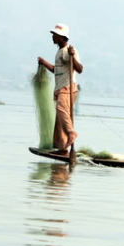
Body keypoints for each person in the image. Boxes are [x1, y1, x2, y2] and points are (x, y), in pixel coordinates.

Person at [38, 23, 84, 155]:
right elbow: (55, 70)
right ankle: (63, 149)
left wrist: (72, 55)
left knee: (61, 110)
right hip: (60, 88)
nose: (52, 37)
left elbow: (79, 69)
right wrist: (44, 62)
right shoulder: (60, 52)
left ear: (61, 37)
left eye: (54, 35)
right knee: (60, 119)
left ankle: (71, 133)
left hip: (67, 88)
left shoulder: (68, 51)